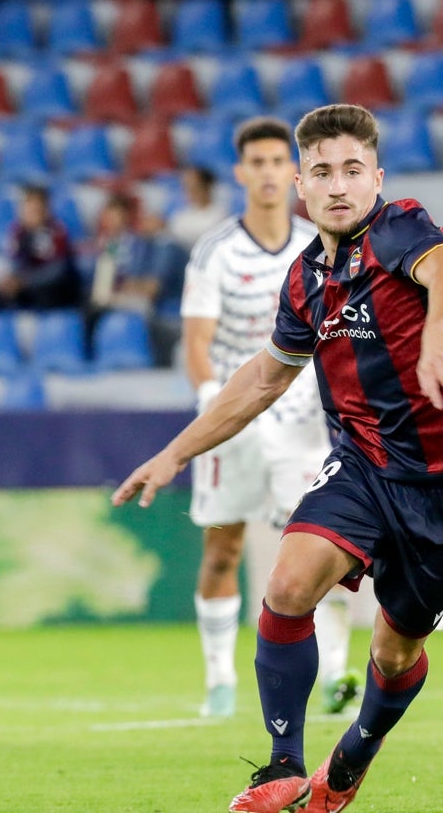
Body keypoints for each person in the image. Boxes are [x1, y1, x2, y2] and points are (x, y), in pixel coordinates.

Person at [112, 103, 443, 813]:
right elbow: (265, 377)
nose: (338, 186)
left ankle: (350, 762)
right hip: (361, 463)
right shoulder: (304, 281)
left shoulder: (402, 228)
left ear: (376, 177)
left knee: (394, 652)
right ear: (302, 184)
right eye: (322, 172)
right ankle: (282, 770)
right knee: (289, 584)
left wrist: (439, 333)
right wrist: (172, 454)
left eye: (352, 171)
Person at [177, 116, 358, 720]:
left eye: (279, 162)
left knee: (322, 545)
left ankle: (334, 671)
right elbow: (196, 340)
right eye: (256, 163)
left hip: (303, 417)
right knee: (223, 549)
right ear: (241, 173)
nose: (268, 173)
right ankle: (218, 680)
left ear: (296, 172)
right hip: (235, 413)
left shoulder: (321, 243)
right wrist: (209, 392)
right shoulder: (215, 251)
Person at [0, 185, 81, 311]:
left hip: (54, 286)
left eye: (35, 209)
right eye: (27, 208)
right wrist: (10, 281)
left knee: (47, 293)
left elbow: (58, 269)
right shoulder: (18, 232)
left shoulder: (57, 230)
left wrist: (25, 282)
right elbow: (15, 261)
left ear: (45, 209)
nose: (30, 213)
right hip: (27, 284)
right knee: (0, 294)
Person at [166, 165, 228, 255]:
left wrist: (169, 229)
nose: (190, 192)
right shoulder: (183, 213)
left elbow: (207, 239)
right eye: (187, 188)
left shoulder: (219, 212)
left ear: (207, 187)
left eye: (195, 187)